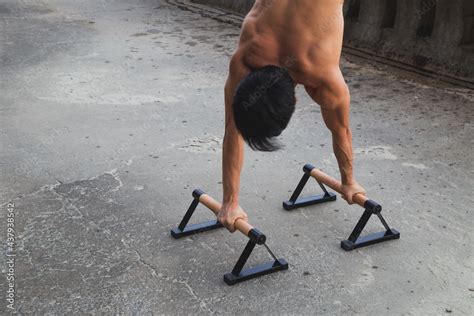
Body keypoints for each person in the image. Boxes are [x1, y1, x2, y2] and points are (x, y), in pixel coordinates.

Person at [219, 0, 366, 232]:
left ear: (297, 100)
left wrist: (349, 181)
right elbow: (235, 125)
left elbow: (341, 129)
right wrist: (230, 202)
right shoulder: (248, 55)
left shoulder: (321, 71)